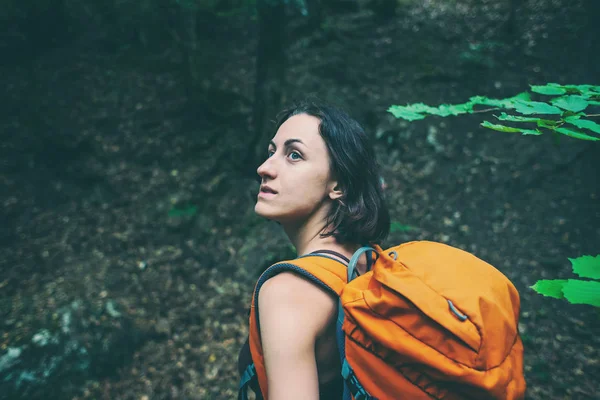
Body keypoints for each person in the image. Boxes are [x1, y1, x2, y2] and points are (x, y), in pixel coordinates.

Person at [238, 100, 390, 399]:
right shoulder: (369, 264)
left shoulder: (288, 291)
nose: (264, 168)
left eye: (294, 155)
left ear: (339, 185)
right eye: (272, 152)